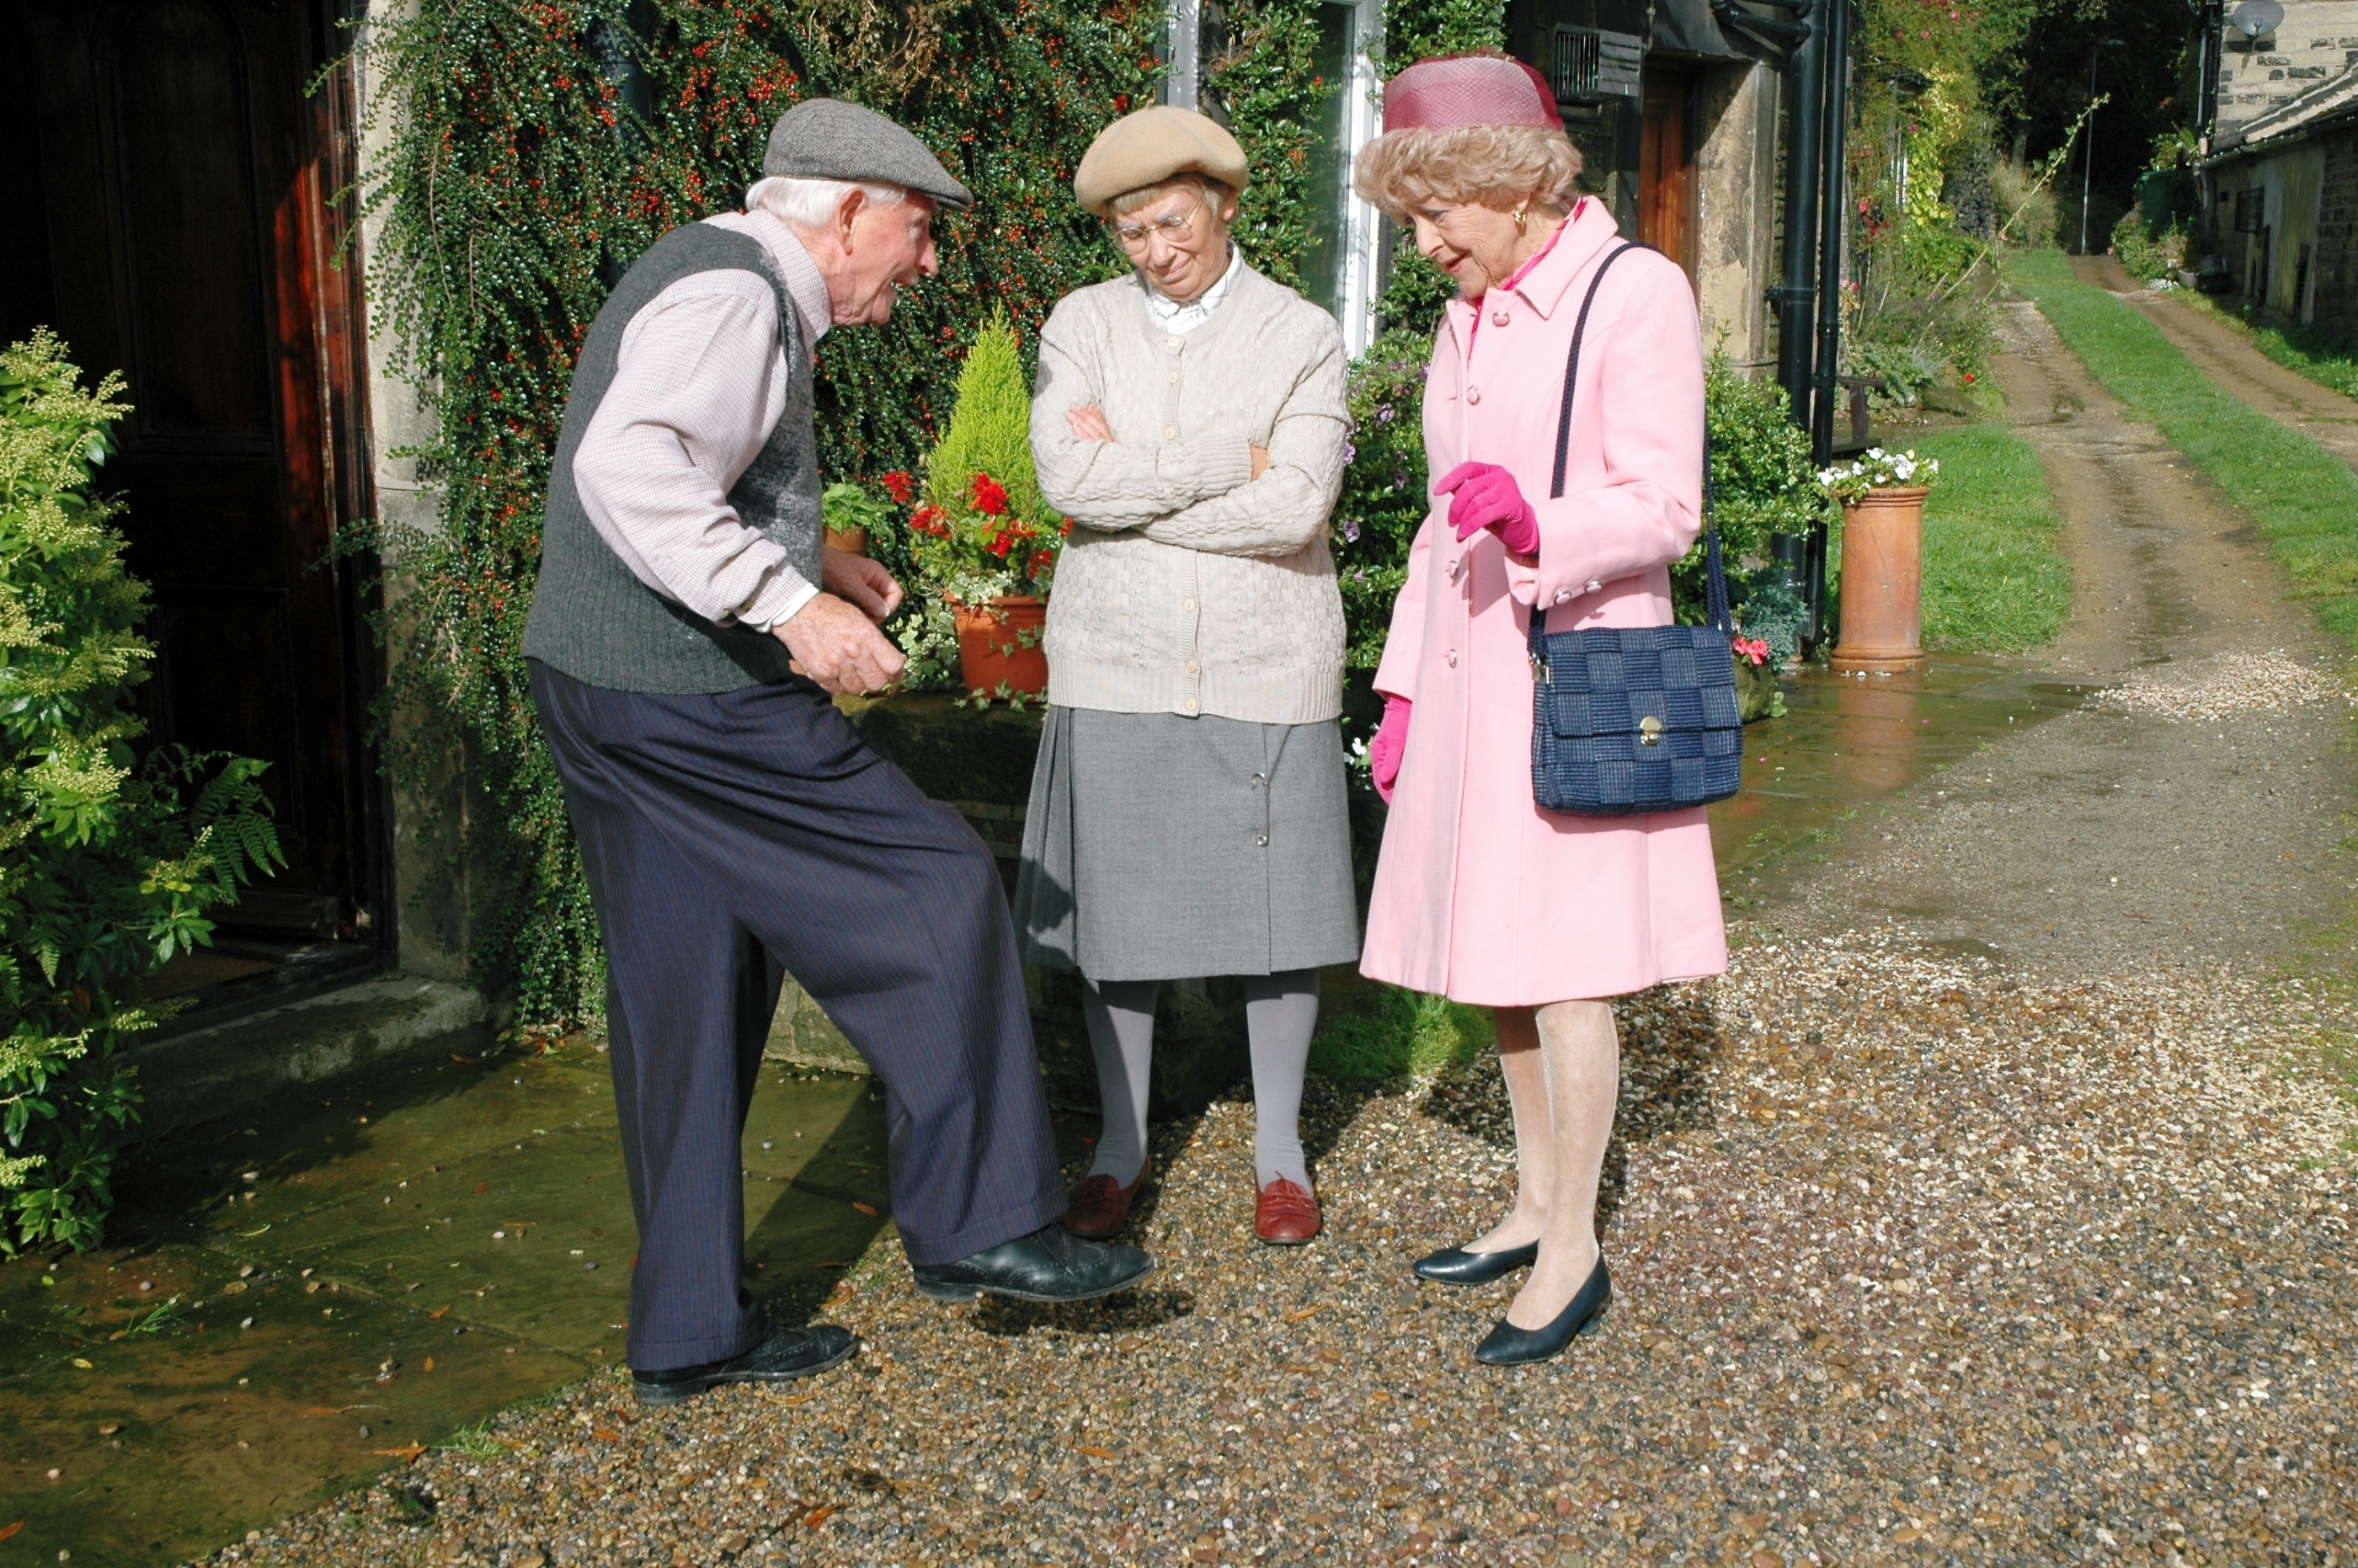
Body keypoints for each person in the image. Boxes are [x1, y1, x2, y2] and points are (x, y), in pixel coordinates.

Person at [520, 99, 1155, 1408]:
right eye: (918, 229)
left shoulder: (709, 266)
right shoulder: (738, 296)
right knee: (937, 886)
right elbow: (629, 466)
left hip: (601, 685)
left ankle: (689, 1330)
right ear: (849, 208)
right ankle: (983, 1221)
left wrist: (811, 561)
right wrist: (785, 604)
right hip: (693, 697)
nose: (928, 260)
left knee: (686, 986)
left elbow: (690, 475)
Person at [1351, 54, 1727, 1365]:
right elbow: (1436, 525)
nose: (1424, 245)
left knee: (1566, 973)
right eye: (1410, 219)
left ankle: (1573, 1243)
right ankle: (1527, 1201)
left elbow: (1667, 503)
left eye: (1436, 213)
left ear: (1514, 185)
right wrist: (1403, 688)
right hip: (1468, 679)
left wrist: (1540, 525)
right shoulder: (1472, 311)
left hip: (1573, 679)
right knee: (1495, 968)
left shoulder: (1636, 292)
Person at [1014, 107, 1357, 1245]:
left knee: (1279, 916)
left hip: (1266, 661)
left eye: (1173, 223)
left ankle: (1281, 1154)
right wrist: (1223, 462)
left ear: (1223, 204)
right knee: (1119, 917)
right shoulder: (1082, 324)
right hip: (1116, 661)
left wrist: (1137, 497)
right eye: (1131, 233)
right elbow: (1069, 479)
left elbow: (1297, 504)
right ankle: (1119, 1148)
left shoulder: (1300, 333)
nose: (1156, 251)